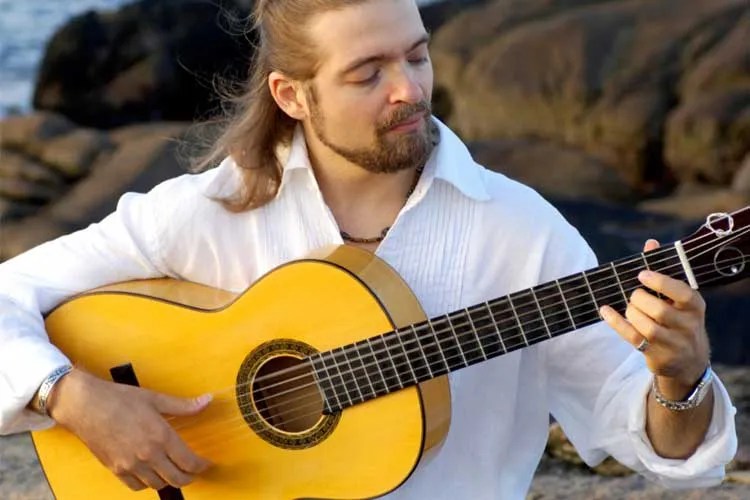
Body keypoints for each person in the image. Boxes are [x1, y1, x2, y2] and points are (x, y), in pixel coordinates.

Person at [0, 0, 738, 497]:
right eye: (368, 73)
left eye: (416, 58)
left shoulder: (520, 229)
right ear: (293, 96)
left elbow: (659, 446)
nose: (409, 91)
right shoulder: (206, 213)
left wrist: (680, 378)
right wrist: (72, 396)